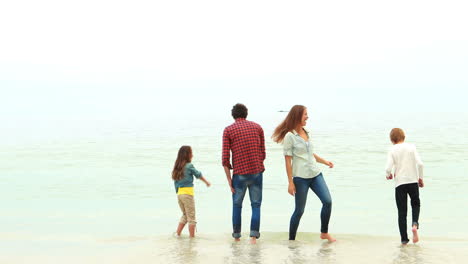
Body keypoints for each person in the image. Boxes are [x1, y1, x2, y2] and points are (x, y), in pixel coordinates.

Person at [272, 105, 336, 242]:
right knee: (299, 211)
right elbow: (287, 161)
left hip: (315, 174)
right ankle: (291, 241)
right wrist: (290, 183)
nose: (308, 117)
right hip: (301, 178)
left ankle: (324, 233)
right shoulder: (290, 136)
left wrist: (325, 162)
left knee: (327, 201)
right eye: (305, 114)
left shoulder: (306, 132)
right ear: (298, 116)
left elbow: (310, 154)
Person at [222, 103, 266, 244]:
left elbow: (225, 159)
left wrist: (229, 179)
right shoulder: (257, 127)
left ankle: (237, 237)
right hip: (256, 172)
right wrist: (256, 163)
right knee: (256, 205)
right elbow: (263, 153)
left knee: (237, 206)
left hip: (239, 174)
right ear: (246, 114)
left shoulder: (228, 130)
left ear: (233, 115)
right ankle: (253, 238)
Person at [385, 128, 424, 244]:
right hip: (412, 181)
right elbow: (421, 164)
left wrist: (389, 174)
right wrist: (420, 178)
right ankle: (415, 224)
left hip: (400, 184)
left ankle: (404, 240)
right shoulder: (412, 147)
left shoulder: (392, 150)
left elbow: (388, 168)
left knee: (402, 212)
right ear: (404, 137)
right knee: (416, 204)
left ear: (392, 140)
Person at [172, 145, 210, 237]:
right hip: (187, 194)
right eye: (191, 153)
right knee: (191, 217)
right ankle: (192, 239)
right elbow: (198, 174)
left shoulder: (177, 167)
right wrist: (206, 182)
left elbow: (175, 183)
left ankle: (177, 234)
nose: (192, 155)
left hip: (180, 194)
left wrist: (178, 193)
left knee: (185, 215)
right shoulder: (189, 166)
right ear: (187, 155)